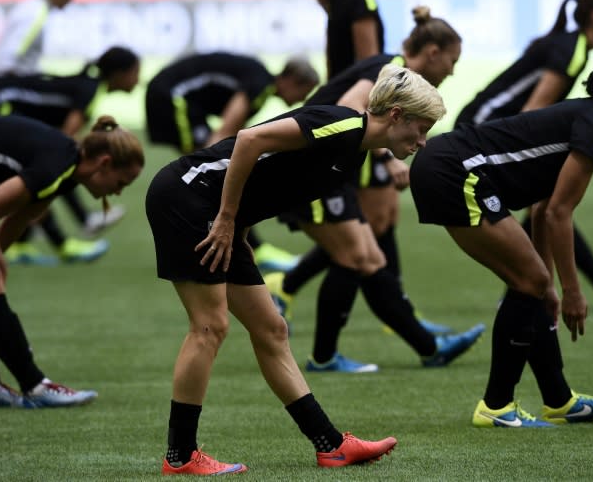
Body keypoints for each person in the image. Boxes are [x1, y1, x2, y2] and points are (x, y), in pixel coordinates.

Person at [144, 64, 442, 475]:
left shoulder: (352, 154)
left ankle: (331, 445)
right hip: (188, 196)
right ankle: (180, 456)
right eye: (421, 128)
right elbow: (249, 140)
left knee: (272, 329)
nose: (422, 141)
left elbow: (267, 183)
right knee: (209, 326)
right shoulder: (340, 126)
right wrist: (228, 217)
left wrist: (239, 227)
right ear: (395, 116)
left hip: (214, 209)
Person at [410, 50, 593, 426]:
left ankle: (559, 401)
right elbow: (559, 213)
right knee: (531, 282)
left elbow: (543, 209)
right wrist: (572, 291)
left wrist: (549, 283)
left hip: (448, 167)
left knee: (533, 285)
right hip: (455, 171)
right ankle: (496, 407)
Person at [266, 6, 482, 374]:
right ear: (433, 53)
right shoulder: (389, 70)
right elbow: (348, 108)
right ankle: (325, 352)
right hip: (306, 167)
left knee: (370, 260)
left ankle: (429, 349)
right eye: (452, 61)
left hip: (329, 171)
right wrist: (387, 159)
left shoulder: (395, 72)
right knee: (356, 257)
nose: (452, 71)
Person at [454, 0, 593, 309]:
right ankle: (536, 290)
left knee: (549, 207)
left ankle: (537, 289)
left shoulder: (573, 47)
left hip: (484, 128)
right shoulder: (572, 50)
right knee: (551, 208)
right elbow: (532, 111)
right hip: (483, 131)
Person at [0, 114, 145, 408]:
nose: (117, 192)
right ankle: (35, 385)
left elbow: (21, 217)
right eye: (120, 182)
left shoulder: (66, 171)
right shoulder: (53, 167)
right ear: (104, 163)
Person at [145, 52, 320, 273]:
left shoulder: (260, 81)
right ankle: (249, 246)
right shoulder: (261, 85)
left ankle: (230, 240)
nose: (303, 99)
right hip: (170, 97)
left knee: (211, 176)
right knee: (212, 175)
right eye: (306, 90)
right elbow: (225, 132)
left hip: (168, 94)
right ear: (291, 80)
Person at [0, 46, 141, 264]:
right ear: (120, 73)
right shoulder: (90, 90)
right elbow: (66, 142)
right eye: (135, 73)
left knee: (50, 171)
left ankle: (24, 243)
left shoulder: (88, 85)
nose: (137, 81)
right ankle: (64, 241)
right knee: (51, 171)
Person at [0, 0, 72, 79]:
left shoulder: (34, 7)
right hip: (10, 83)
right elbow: (13, 48)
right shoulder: (36, 12)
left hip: (13, 80)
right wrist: (5, 77)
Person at [316, 0, 385, 80]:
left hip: (352, 86)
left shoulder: (358, 1)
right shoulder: (336, 2)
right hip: (340, 83)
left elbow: (369, 66)